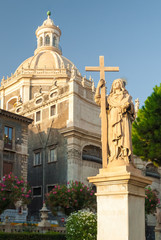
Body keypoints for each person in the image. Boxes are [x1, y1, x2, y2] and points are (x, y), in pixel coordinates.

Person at [95, 78, 135, 164]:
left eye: (118, 82)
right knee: (112, 139)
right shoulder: (109, 98)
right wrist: (98, 87)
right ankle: (114, 156)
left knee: (123, 139)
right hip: (112, 120)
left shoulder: (127, 96)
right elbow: (98, 101)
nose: (116, 83)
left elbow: (132, 109)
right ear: (112, 86)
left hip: (123, 119)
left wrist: (127, 107)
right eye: (115, 82)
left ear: (122, 85)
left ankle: (124, 156)